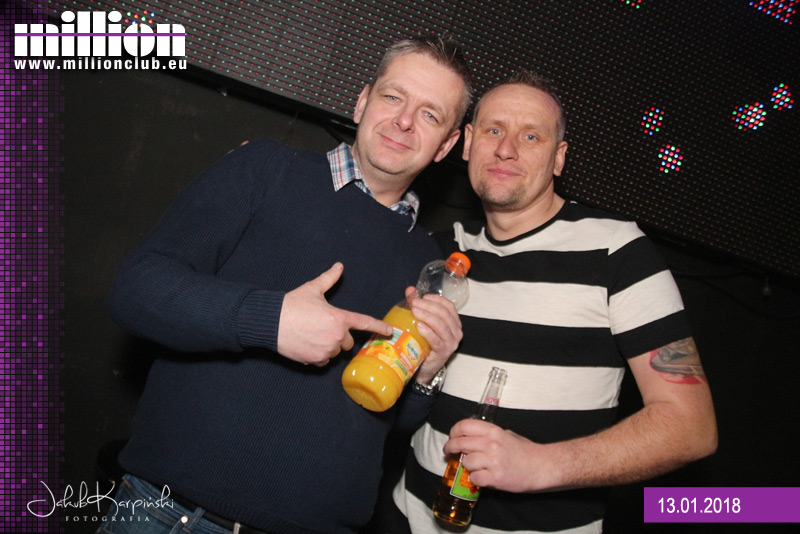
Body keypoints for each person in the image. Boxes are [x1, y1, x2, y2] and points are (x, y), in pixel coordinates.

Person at [98, 35, 473, 534]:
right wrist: (269, 320)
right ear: (362, 101)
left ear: (446, 145)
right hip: (169, 515)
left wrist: (426, 372)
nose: (405, 121)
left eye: (429, 114)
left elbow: (386, 421)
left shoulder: (429, 265)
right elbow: (137, 289)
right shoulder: (264, 168)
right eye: (393, 96)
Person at [383, 70, 718, 534]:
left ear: (558, 158)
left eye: (531, 136)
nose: (506, 149)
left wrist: (541, 465)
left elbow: (690, 426)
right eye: (494, 130)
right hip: (409, 519)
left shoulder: (617, 251)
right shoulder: (439, 251)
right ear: (468, 143)